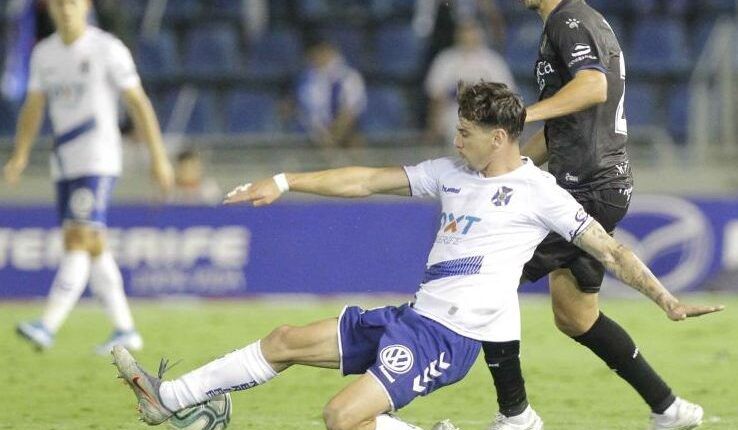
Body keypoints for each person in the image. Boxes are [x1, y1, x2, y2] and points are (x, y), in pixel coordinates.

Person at [112, 82, 721, 430]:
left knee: (340, 418)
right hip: (413, 316)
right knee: (284, 339)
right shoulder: (452, 174)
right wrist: (285, 177)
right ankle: (168, 401)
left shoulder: (540, 192)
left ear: (499, 137)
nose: (455, 141)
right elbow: (366, 180)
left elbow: (611, 251)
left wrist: (665, 299)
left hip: (447, 339)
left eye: (465, 132)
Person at [479, 1, 706, 429]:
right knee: (575, 316)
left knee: (486, 277)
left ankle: (515, 414)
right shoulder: (577, 22)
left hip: (584, 186)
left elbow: (592, 87)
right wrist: (508, 170)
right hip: (598, 182)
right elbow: (564, 123)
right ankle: (669, 408)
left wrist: (520, 115)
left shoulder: (568, 21)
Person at [3, 0, 173, 354]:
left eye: (73, 2)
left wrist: (158, 157)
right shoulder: (44, 54)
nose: (66, 9)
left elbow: (138, 102)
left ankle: (47, 325)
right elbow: (33, 107)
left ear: (86, 6)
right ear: (49, 8)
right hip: (64, 162)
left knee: (79, 239)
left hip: (98, 158)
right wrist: (20, 155)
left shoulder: (107, 49)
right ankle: (125, 329)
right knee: (92, 244)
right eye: (60, 3)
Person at [425, 20, 516, 144]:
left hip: (486, 119)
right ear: (457, 35)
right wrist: (434, 127)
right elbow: (436, 98)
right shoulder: (445, 60)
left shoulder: (493, 61)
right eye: (464, 32)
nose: (468, 36)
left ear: (480, 34)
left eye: (472, 31)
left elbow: (507, 97)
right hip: (453, 120)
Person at [295, 40, 367, 148]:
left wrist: (335, 135)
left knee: (355, 140)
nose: (318, 57)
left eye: (322, 53)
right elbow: (306, 111)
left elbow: (351, 110)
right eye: (314, 54)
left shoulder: (348, 76)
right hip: (314, 133)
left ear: (331, 53)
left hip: (344, 131)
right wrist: (320, 134)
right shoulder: (306, 79)